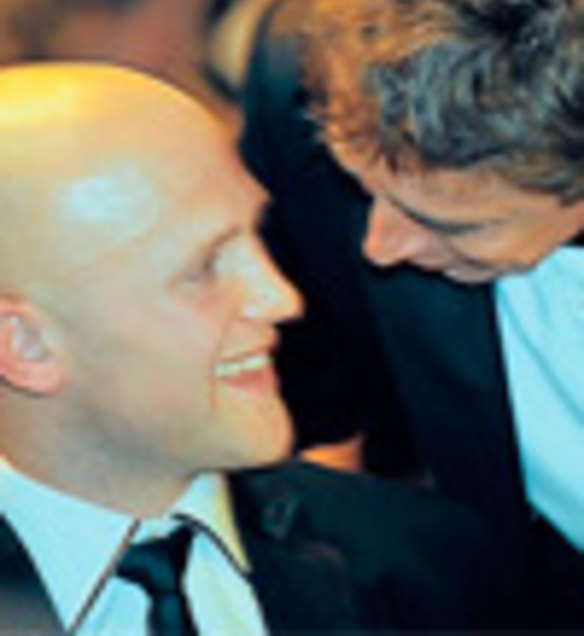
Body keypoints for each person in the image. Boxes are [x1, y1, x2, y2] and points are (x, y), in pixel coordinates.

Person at [0, 62, 501, 633]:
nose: (281, 298)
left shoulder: (423, 561)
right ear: (26, 346)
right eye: (205, 269)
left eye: (257, 236)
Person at [242, 0, 584, 628]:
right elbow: (304, 390)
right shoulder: (297, 81)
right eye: (365, 191)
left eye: (455, 226)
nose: (381, 247)